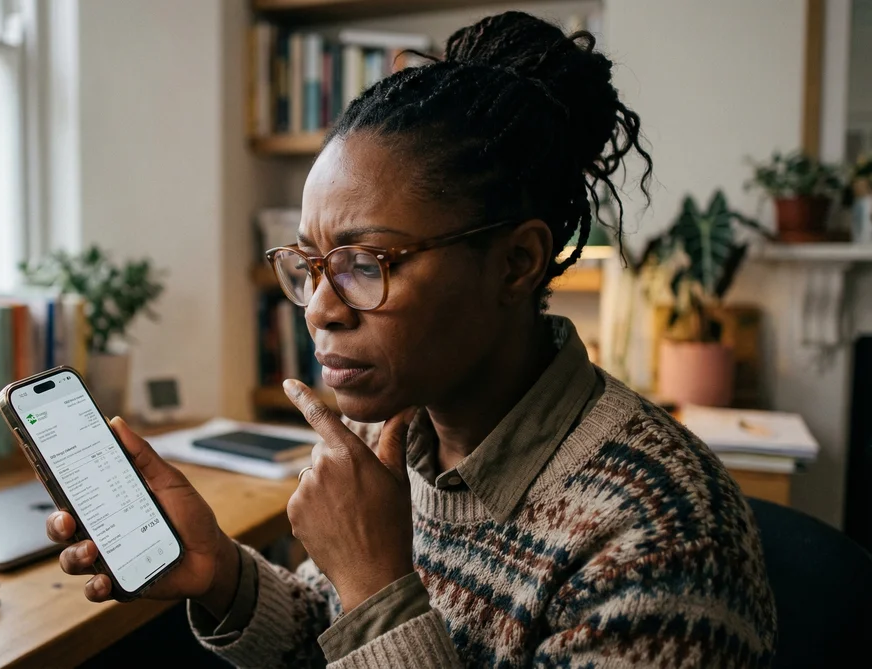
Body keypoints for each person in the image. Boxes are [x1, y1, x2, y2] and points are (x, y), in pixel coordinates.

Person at [48, 11, 776, 668]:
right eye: (308, 264)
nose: (319, 310)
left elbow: (368, 619)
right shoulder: (397, 431)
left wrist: (375, 586)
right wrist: (220, 571)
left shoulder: (661, 541)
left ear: (517, 262)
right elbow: (327, 632)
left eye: (367, 263)